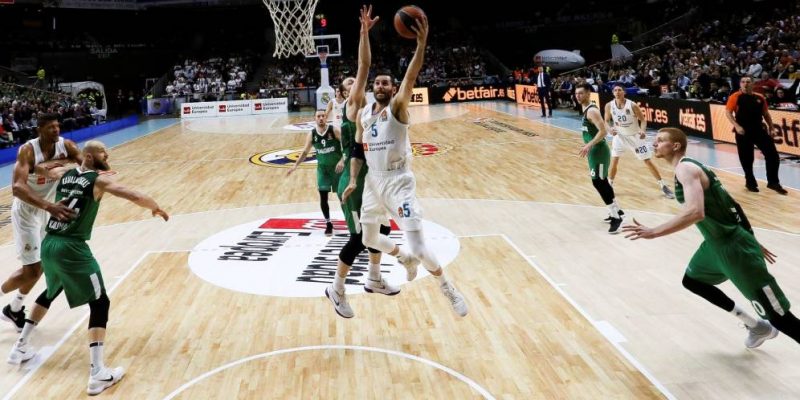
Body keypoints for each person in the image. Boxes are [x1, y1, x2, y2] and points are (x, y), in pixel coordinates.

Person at [6, 140, 169, 395]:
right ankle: (97, 374)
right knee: (100, 303)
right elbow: (133, 195)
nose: (108, 154)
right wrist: (155, 207)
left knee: (51, 290)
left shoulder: (63, 173)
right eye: (104, 152)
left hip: (50, 242)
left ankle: (21, 346)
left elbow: (37, 168)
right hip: (72, 248)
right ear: (91, 157)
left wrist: (54, 165)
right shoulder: (97, 181)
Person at [622, 128, 800, 348]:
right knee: (693, 281)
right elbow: (733, 206)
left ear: (675, 146)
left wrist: (654, 232)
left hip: (734, 249)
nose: (654, 143)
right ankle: (755, 325)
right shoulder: (688, 167)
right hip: (715, 245)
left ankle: (766, 325)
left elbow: (695, 212)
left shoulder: (685, 169)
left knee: (781, 317)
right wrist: (751, 237)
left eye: (660, 141)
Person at [342, 13, 467, 317]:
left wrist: (421, 45)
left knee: (420, 246)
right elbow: (363, 67)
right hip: (374, 182)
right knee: (369, 238)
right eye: (378, 84)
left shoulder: (397, 108)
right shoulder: (362, 113)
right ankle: (403, 258)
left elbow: (411, 75)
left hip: (399, 182)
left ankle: (447, 287)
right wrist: (363, 34)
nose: (381, 86)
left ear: (393, 87)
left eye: (386, 83)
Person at [325, 5, 400, 319]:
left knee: (382, 229)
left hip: (374, 182)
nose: (357, 84)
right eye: (351, 84)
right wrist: (364, 32)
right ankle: (337, 288)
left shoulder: (371, 110)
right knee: (358, 238)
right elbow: (364, 63)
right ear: (347, 92)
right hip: (355, 185)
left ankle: (373, 277)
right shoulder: (353, 106)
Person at [1, 113, 82, 331]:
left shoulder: (66, 145)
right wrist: (49, 205)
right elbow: (17, 188)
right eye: (50, 128)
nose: (56, 130)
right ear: (40, 129)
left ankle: (14, 309)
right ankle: (7, 302)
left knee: (43, 265)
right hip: (28, 210)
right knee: (32, 272)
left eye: (57, 126)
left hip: (48, 210)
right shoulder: (28, 150)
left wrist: (99, 170)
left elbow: (86, 164)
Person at [604, 84, 675, 199]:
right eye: (615, 90)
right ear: (613, 93)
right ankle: (609, 185)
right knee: (615, 160)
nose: (617, 92)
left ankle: (663, 186)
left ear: (624, 92)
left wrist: (642, 131)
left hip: (635, 137)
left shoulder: (632, 105)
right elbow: (606, 121)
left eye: (619, 90)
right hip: (620, 137)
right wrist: (609, 129)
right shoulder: (609, 106)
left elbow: (643, 120)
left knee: (647, 161)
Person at [575, 83, 625, 233]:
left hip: (599, 151)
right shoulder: (586, 109)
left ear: (589, 94)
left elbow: (603, 132)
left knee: (598, 182)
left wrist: (588, 144)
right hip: (593, 151)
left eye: (581, 93)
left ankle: (616, 217)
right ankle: (617, 210)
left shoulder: (592, 111)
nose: (578, 96)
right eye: (576, 93)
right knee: (601, 181)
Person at [287, 110, 344, 236]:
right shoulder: (312, 134)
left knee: (343, 197)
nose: (321, 118)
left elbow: (346, 144)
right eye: (319, 116)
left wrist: (342, 160)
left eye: (323, 116)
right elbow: (305, 152)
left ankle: (350, 221)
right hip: (323, 170)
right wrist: (295, 165)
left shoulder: (334, 130)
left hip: (337, 170)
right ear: (315, 119)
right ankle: (328, 223)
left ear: (326, 117)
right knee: (323, 197)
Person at [725, 77, 786, 194]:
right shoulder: (735, 97)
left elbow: (766, 114)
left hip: (759, 129)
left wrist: (772, 128)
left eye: (748, 82)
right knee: (747, 158)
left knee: (772, 155)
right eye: (743, 82)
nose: (745, 84)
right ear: (740, 84)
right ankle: (750, 181)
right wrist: (737, 126)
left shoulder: (760, 97)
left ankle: (773, 182)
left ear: (753, 84)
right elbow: (728, 112)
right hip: (743, 131)